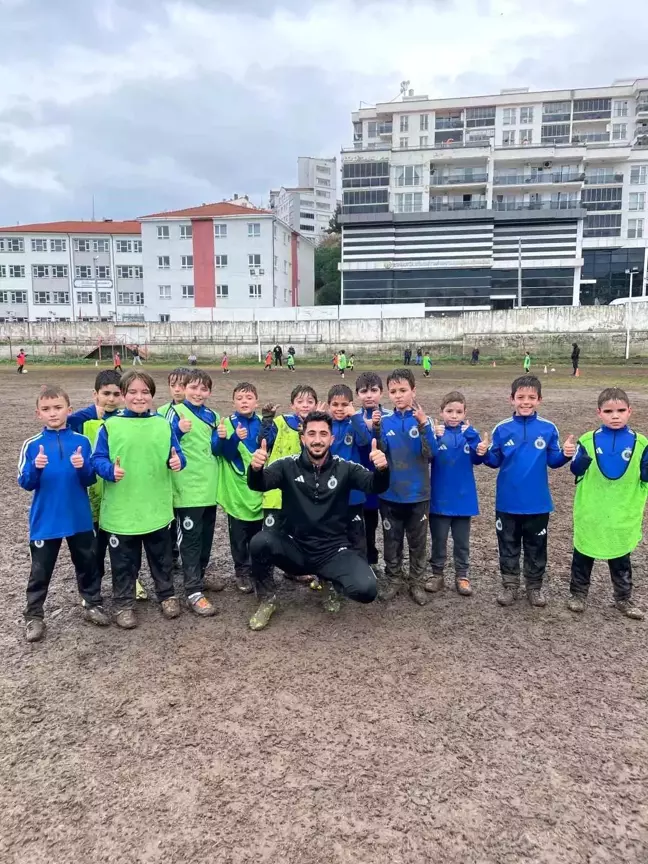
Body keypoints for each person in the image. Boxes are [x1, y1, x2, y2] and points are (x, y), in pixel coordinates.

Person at [245, 411, 390, 630]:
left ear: (331, 439)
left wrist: (382, 470)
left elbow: (375, 485)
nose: (317, 439)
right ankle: (268, 599)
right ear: (303, 438)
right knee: (260, 542)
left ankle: (327, 582)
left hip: (332, 550)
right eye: (311, 433)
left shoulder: (345, 467)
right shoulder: (287, 465)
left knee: (366, 590)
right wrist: (256, 469)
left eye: (323, 434)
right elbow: (259, 484)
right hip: (295, 548)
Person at [92, 370, 186, 629]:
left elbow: (177, 454)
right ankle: (124, 603)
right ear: (123, 395)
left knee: (162, 557)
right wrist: (109, 470)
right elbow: (96, 460)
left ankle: (167, 595)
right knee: (124, 561)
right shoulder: (110, 426)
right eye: (132, 392)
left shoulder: (163, 425)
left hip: (155, 507)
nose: (139, 397)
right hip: (122, 511)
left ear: (152, 396)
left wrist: (178, 461)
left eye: (145, 392)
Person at [18, 386, 108, 642]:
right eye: (46, 409)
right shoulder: (32, 445)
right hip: (46, 520)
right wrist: (35, 469)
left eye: (58, 408)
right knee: (40, 569)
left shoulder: (81, 442)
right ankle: (34, 616)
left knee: (87, 563)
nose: (53, 413)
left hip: (78, 517)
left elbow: (90, 478)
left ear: (69, 410)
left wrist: (82, 468)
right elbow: (25, 483)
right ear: (38, 414)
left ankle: (92, 603)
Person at [481, 375, 576, 608]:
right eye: (520, 397)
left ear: (539, 400)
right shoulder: (502, 429)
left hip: (538, 503)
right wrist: (484, 452)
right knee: (508, 544)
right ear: (511, 399)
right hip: (507, 503)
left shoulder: (548, 428)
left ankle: (534, 587)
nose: (526, 402)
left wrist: (565, 453)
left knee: (536, 547)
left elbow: (553, 461)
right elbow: (495, 461)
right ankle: (510, 585)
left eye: (531, 397)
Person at [67, 370, 152, 600]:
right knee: (92, 549)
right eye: (106, 393)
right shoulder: (78, 421)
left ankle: (132, 581)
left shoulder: (133, 418)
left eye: (116, 393)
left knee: (127, 547)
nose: (111, 399)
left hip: (121, 497)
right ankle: (90, 593)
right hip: (91, 499)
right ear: (95, 394)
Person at [568, 388, 647, 619]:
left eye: (621, 410)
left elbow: (645, 477)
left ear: (630, 412)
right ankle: (578, 594)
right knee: (583, 554)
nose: (615, 415)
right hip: (592, 510)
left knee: (620, 556)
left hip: (622, 513)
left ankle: (623, 598)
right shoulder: (587, 440)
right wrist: (578, 460)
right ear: (599, 413)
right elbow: (575, 470)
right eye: (609, 411)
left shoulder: (641, 443)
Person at [378, 368, 437, 605]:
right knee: (391, 541)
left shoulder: (425, 420)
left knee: (418, 542)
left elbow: (431, 453)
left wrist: (423, 425)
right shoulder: (383, 422)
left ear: (413, 390)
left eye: (403, 390)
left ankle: (416, 582)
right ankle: (394, 580)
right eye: (393, 391)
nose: (398, 395)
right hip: (390, 495)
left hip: (418, 495)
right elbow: (378, 452)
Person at [169, 369, 221, 616]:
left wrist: (224, 439)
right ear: (184, 388)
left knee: (205, 538)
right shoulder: (173, 413)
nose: (198, 393)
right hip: (186, 489)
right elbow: (164, 445)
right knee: (189, 540)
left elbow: (216, 449)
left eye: (203, 389)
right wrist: (177, 430)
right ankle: (192, 591)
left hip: (209, 488)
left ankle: (199, 575)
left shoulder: (213, 415)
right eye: (193, 387)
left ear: (209, 392)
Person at [426, 391, 485, 598]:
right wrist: (432, 436)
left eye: (458, 412)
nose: (454, 415)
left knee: (462, 541)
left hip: (463, 499)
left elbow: (479, 460)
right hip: (440, 498)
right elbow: (427, 457)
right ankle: (437, 574)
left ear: (465, 413)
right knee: (438, 539)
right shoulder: (436, 434)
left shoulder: (470, 434)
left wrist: (477, 444)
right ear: (441, 412)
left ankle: (462, 575)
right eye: (449, 411)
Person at [215, 382, 263, 594]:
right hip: (237, 490)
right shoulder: (227, 423)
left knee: (259, 532)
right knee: (239, 535)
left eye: (249, 397)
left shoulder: (262, 422)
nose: (245, 402)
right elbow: (220, 451)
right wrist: (232, 438)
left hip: (258, 486)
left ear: (256, 401)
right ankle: (242, 571)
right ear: (233, 402)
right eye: (240, 398)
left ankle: (258, 569)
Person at [259, 384, 319, 534]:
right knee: (271, 540)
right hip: (275, 495)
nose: (305, 405)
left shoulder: (318, 427)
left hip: (303, 495)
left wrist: (305, 436)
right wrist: (267, 421)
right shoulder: (280, 422)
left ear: (316, 405)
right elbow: (264, 442)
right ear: (292, 405)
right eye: (300, 401)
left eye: (310, 401)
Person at [327, 383, 371, 562]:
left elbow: (364, 441)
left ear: (351, 405)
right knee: (330, 533)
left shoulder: (354, 424)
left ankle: (361, 568)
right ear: (329, 405)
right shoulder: (325, 425)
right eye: (335, 405)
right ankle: (329, 571)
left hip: (353, 491)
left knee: (356, 534)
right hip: (329, 490)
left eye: (344, 405)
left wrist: (355, 417)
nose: (339, 409)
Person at [355, 372, 392, 577]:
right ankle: (368, 561)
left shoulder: (389, 417)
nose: (369, 395)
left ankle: (392, 566)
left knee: (389, 528)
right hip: (362, 484)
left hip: (386, 483)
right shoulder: (354, 417)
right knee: (365, 526)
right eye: (364, 391)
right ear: (357, 394)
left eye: (374, 390)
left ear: (381, 392)